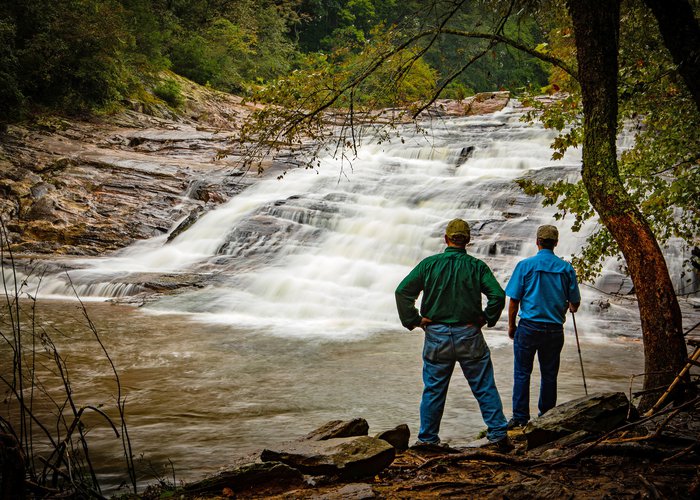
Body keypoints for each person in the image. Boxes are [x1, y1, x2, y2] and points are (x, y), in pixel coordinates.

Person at [395, 218, 512, 452]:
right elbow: (498, 296)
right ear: (467, 241)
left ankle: (428, 439)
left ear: (446, 239)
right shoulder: (477, 267)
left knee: (434, 388)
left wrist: (415, 320)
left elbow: (402, 292)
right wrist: (486, 318)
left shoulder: (429, 264)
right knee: (483, 385)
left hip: (436, 334)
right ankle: (498, 434)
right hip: (469, 333)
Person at [505, 224, 581, 428]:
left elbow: (514, 300)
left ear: (537, 242)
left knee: (522, 373)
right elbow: (575, 301)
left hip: (528, 327)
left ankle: (520, 418)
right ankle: (546, 417)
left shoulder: (525, 266)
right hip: (554, 330)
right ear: (556, 243)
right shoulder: (566, 268)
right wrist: (569, 306)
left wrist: (511, 326)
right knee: (549, 374)